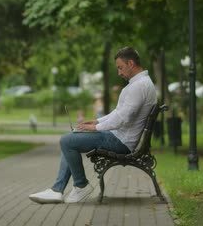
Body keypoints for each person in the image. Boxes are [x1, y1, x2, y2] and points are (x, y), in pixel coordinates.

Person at [28, 47, 157, 204]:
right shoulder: (141, 84)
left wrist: (95, 128)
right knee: (71, 139)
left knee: (67, 141)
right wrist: (97, 121)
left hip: (121, 141)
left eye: (120, 67)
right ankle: (57, 190)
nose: (119, 72)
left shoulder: (139, 86)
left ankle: (80, 185)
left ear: (130, 63)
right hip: (120, 137)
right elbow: (118, 113)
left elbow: (122, 119)